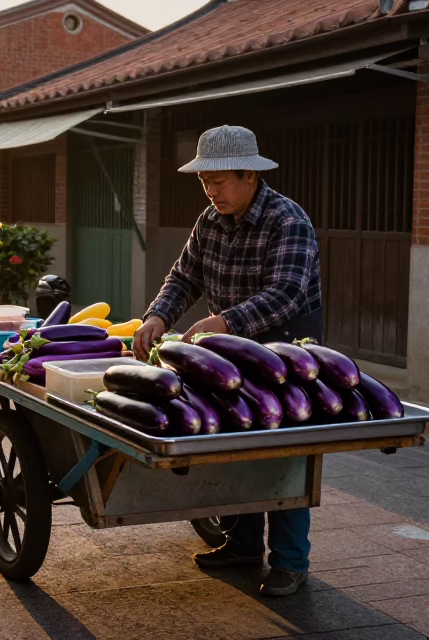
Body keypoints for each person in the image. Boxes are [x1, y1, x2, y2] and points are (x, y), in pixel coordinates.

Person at [133, 125, 323, 598]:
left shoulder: (288, 220)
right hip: (230, 351)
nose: (211, 190)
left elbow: (287, 294)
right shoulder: (209, 221)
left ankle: (290, 562)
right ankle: (240, 544)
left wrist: (223, 322)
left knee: (282, 455)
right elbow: (184, 277)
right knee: (234, 440)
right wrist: (157, 315)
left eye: (219, 180)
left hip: (287, 354)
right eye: (204, 181)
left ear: (249, 175)